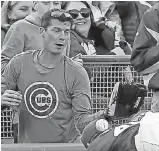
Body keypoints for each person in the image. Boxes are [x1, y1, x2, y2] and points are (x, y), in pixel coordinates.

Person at [1, 9, 105, 143]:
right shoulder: (19, 63)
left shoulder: (77, 73)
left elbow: (82, 122)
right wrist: (2, 100)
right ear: (42, 32)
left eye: (66, 32)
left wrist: (106, 114)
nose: (62, 37)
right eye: (56, 30)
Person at [1, 1, 62, 73]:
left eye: (56, 3)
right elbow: (4, 65)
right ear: (35, 5)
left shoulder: (64, 29)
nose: (52, 8)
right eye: (45, 3)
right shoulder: (20, 27)